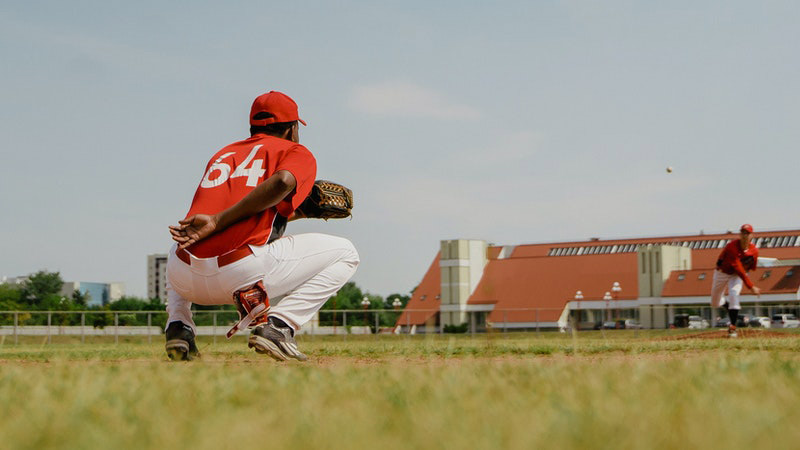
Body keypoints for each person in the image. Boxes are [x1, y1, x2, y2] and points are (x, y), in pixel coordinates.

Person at [164, 91, 359, 361]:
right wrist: (218, 220)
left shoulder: (223, 154)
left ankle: (179, 326)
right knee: (347, 253)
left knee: (181, 242)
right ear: (292, 129)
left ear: (252, 127)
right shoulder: (296, 151)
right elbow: (282, 182)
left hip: (183, 278)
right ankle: (279, 327)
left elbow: (235, 218)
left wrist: (297, 213)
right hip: (240, 274)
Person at [711, 224, 761, 338]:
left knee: (734, 294)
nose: (745, 235)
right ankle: (726, 304)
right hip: (722, 273)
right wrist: (751, 286)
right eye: (743, 232)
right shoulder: (732, 247)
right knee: (715, 303)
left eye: (747, 233)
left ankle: (733, 327)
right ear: (740, 234)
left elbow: (750, 268)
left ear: (752, 236)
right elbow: (737, 267)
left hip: (737, 275)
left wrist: (747, 279)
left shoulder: (754, 251)